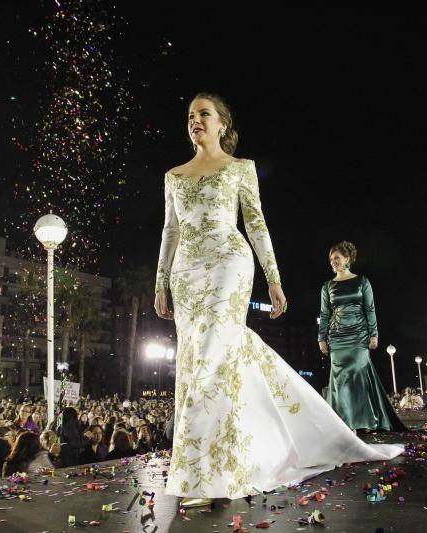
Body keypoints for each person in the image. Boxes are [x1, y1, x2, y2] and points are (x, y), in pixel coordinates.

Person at [154, 93, 402, 503]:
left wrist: (274, 278)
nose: (194, 121)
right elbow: (170, 230)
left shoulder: (240, 168)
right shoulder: (173, 176)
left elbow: (255, 222)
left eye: (203, 114)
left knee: (215, 355)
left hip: (228, 264)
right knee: (195, 359)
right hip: (186, 274)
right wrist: (160, 281)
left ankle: (213, 477)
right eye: (189, 116)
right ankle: (216, 462)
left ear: (222, 125)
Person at [318, 241, 407, 432]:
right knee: (340, 378)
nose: (333, 262)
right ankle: (345, 422)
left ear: (347, 259)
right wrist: (321, 338)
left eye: (337, 258)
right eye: (331, 259)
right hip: (337, 336)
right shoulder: (328, 286)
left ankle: (366, 420)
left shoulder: (362, 282)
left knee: (358, 374)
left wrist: (374, 334)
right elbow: (325, 314)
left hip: (359, 335)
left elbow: (370, 309)